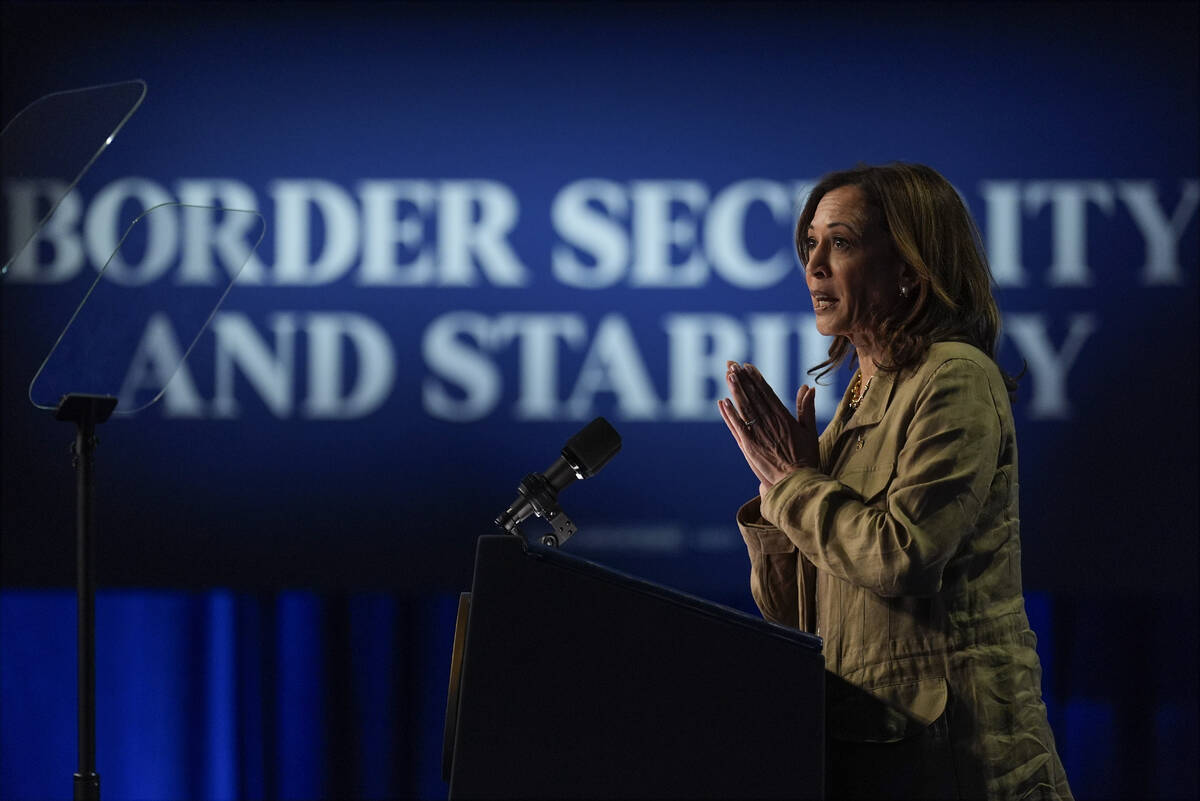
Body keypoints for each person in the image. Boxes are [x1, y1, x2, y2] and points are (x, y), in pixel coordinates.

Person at [719, 163, 1072, 801]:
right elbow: (798, 613)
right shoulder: (862, 394)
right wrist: (780, 493)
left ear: (911, 266)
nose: (815, 265)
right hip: (876, 758)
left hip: (964, 767)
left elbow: (902, 558)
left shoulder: (953, 378)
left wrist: (795, 483)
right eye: (811, 244)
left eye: (842, 242)